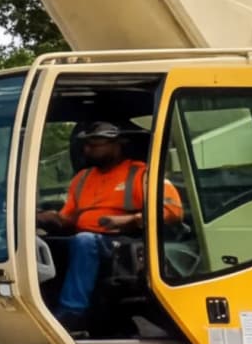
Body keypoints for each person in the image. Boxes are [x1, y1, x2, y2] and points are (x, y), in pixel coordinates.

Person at [49, 117, 179, 330]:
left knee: (83, 241)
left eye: (95, 144)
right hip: (88, 239)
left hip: (125, 241)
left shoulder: (142, 173)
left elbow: (173, 211)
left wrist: (131, 219)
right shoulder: (82, 178)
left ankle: (72, 311)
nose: (88, 149)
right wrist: (45, 217)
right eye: (87, 144)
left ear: (117, 145)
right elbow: (67, 218)